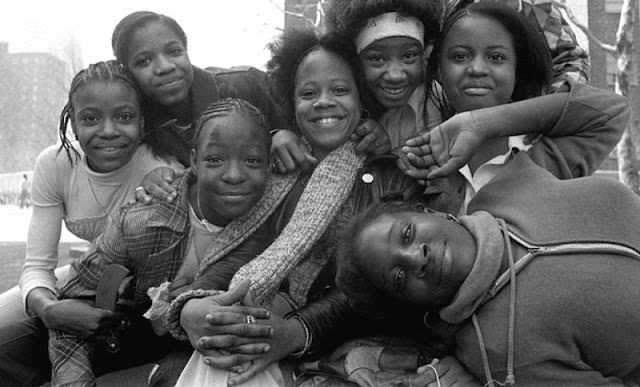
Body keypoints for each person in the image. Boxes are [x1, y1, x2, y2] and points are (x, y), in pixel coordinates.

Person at [160, 29, 422, 387]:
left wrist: (295, 332)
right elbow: (242, 248)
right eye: (308, 93)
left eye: (340, 90)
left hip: (331, 344)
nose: (324, 102)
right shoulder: (276, 170)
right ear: (292, 104)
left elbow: (372, 288)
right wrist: (193, 305)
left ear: (363, 100)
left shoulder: (391, 178)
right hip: (254, 319)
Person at [335, 151, 640, 386]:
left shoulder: (506, 188)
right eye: (399, 277)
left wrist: (482, 122)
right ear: (410, 304)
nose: (417, 257)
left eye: (407, 234)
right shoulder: (498, 353)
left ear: (428, 212)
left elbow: (602, 114)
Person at [0, 60, 181, 382]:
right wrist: (49, 309)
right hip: (82, 280)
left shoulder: (161, 171)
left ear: (142, 122)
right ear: (73, 123)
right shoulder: (56, 163)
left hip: (143, 300)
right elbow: (37, 265)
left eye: (124, 117)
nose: (108, 130)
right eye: (91, 118)